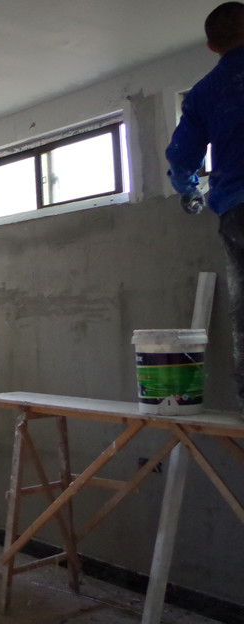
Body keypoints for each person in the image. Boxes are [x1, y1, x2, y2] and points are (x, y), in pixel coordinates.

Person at [165, 1, 244, 416]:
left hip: (238, 209)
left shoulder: (202, 95)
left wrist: (190, 191)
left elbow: (182, 160)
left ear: (212, 46)